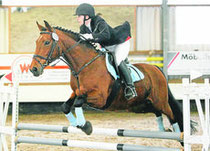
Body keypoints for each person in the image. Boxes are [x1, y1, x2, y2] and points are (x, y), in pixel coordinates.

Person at [75, 3, 137, 100]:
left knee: (118, 60)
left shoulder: (99, 21)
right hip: (107, 47)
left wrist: (90, 37)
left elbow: (105, 35)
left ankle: (130, 87)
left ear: (87, 16)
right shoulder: (83, 28)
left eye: (79, 16)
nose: (77, 18)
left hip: (119, 43)